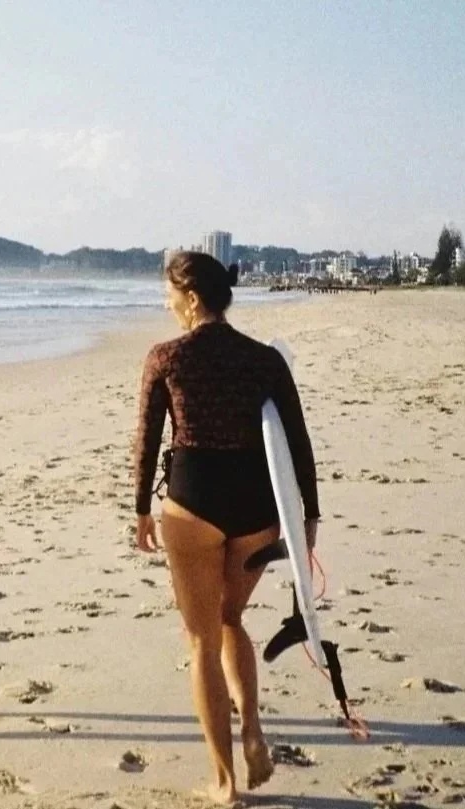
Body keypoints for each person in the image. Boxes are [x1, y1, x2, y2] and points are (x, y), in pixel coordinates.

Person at [132, 251, 319, 806]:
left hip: (193, 507)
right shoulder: (263, 360)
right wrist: (307, 515)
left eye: (170, 295)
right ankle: (253, 730)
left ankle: (224, 782)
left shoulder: (165, 357)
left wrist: (141, 507)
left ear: (193, 298)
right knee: (231, 618)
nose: (166, 304)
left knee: (201, 639)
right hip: (256, 509)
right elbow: (298, 443)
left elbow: (146, 440)